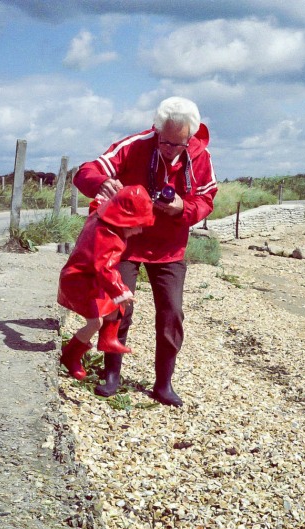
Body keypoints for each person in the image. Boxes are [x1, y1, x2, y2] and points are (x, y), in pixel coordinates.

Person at [72, 96, 218, 406]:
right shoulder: (135, 145)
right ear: (156, 130)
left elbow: (206, 200)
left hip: (170, 248)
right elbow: (85, 171)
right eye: (164, 142)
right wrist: (101, 183)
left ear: (190, 136)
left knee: (172, 313)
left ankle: (163, 384)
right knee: (118, 307)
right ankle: (111, 375)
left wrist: (181, 208)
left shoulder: (201, 156)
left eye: (178, 145)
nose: (169, 150)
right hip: (125, 242)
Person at [57, 185, 155, 381]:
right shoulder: (109, 237)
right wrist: (121, 291)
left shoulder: (100, 216)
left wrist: (106, 196)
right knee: (95, 322)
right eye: (137, 224)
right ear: (125, 220)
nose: (140, 230)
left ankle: (108, 339)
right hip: (79, 280)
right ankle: (70, 355)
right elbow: (105, 267)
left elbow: (98, 205)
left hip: (87, 276)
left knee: (114, 305)